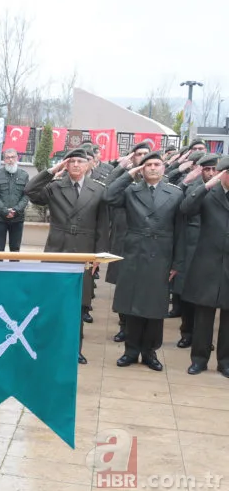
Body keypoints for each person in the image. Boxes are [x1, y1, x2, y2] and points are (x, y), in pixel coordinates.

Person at [24, 148, 109, 365]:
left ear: (89, 165)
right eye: (72, 162)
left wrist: (97, 257)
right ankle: (50, 347)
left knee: (79, 306)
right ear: (66, 165)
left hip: (83, 254)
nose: (77, 165)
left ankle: (74, 349)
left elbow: (102, 227)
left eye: (81, 161)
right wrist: (53, 170)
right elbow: (31, 190)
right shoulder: (54, 187)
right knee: (53, 303)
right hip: (57, 251)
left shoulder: (98, 190)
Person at [106, 150, 184, 372]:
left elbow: (180, 231)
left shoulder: (175, 193)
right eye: (148, 164)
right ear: (142, 168)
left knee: (155, 307)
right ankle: (130, 351)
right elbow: (109, 196)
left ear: (163, 168)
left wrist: (177, 263)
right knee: (132, 306)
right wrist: (129, 173)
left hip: (161, 256)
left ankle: (150, 352)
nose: (152, 168)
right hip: (134, 253)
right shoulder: (131, 190)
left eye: (157, 164)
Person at [181, 156, 229, 377]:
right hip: (207, 263)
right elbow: (186, 208)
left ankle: (225, 361)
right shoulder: (209, 194)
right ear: (221, 175)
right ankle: (199, 359)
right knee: (203, 317)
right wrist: (205, 186)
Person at [104, 141, 151, 342]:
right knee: (123, 287)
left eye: (146, 155)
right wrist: (126, 169)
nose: (142, 158)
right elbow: (108, 191)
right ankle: (124, 326)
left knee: (146, 288)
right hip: (123, 238)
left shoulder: (159, 180)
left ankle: (142, 329)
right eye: (139, 154)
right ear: (133, 158)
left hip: (149, 243)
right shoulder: (126, 179)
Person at [171, 153, 216, 347]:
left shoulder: (223, 191)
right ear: (200, 170)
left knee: (208, 297)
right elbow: (184, 208)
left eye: (215, 169)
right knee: (188, 294)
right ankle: (187, 332)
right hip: (192, 246)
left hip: (213, 250)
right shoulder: (195, 188)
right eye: (207, 169)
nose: (211, 173)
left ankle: (203, 337)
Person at [0, 148, 29, 253]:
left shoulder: (24, 175)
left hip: (17, 218)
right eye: (7, 158)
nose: (10, 160)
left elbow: (26, 196)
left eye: (13, 157)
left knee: (15, 249)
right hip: (0, 218)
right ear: (4, 160)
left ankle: (14, 269)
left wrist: (16, 210)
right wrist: (5, 211)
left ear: (17, 158)